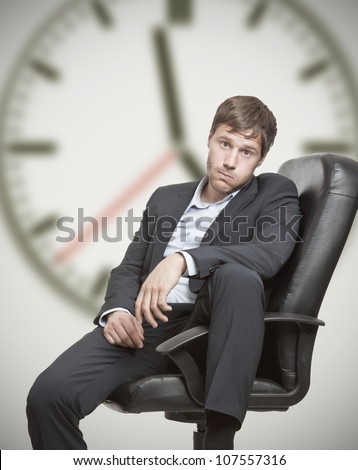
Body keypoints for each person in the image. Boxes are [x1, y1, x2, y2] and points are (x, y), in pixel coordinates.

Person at [26, 96, 300, 450]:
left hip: (212, 329)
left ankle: (219, 444)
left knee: (238, 276)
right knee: (49, 396)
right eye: (225, 144)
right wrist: (119, 310)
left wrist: (184, 259)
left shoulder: (274, 192)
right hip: (147, 327)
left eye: (246, 152)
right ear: (209, 139)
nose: (231, 161)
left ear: (261, 159)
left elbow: (270, 254)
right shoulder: (167, 198)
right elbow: (130, 266)